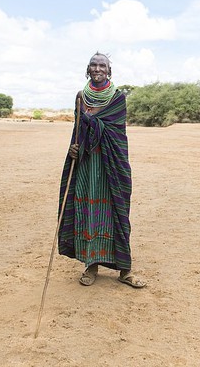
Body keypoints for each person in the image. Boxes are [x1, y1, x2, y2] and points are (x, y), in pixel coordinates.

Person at [57, 52, 146, 288]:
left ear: (109, 71)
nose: (98, 69)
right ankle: (91, 265)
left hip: (111, 163)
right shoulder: (80, 97)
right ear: (88, 69)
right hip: (87, 163)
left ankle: (125, 271)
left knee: (117, 212)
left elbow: (116, 132)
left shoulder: (118, 98)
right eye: (94, 65)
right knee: (88, 212)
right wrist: (74, 148)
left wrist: (90, 121)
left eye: (102, 66)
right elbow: (78, 130)